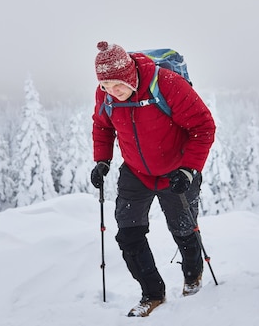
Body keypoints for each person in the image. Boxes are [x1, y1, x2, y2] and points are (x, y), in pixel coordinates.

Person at [90, 41, 216, 317]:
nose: (113, 93)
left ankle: (193, 274)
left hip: (177, 171)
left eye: (118, 86)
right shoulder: (107, 95)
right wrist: (102, 160)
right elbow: (102, 126)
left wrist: (188, 169)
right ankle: (152, 293)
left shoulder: (168, 84)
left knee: (183, 229)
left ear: (130, 75)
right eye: (106, 87)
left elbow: (203, 127)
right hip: (137, 172)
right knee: (128, 234)